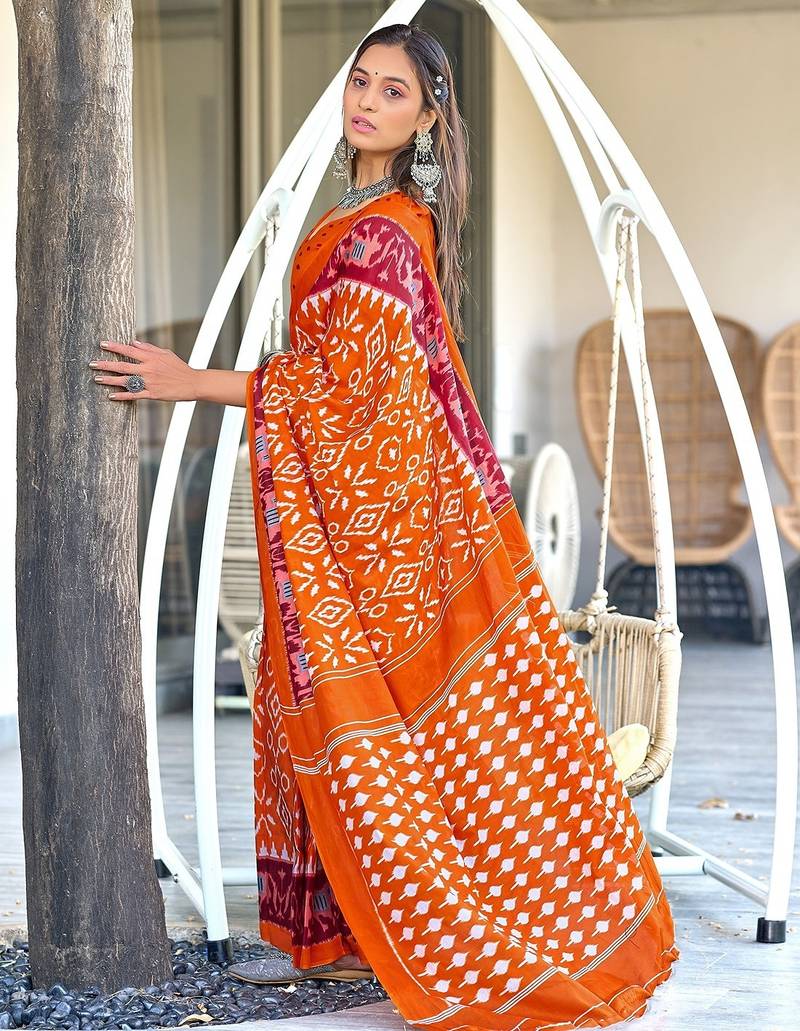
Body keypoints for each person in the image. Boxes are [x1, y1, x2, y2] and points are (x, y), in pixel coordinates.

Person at [89, 21, 680, 1031]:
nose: (365, 101)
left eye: (392, 91)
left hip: (386, 527)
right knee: (389, 732)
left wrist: (193, 380)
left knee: (396, 731)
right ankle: (371, 926)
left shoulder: (386, 232)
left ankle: (441, 925)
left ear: (427, 118)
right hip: (372, 516)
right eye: (359, 81)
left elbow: (355, 394)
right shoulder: (361, 216)